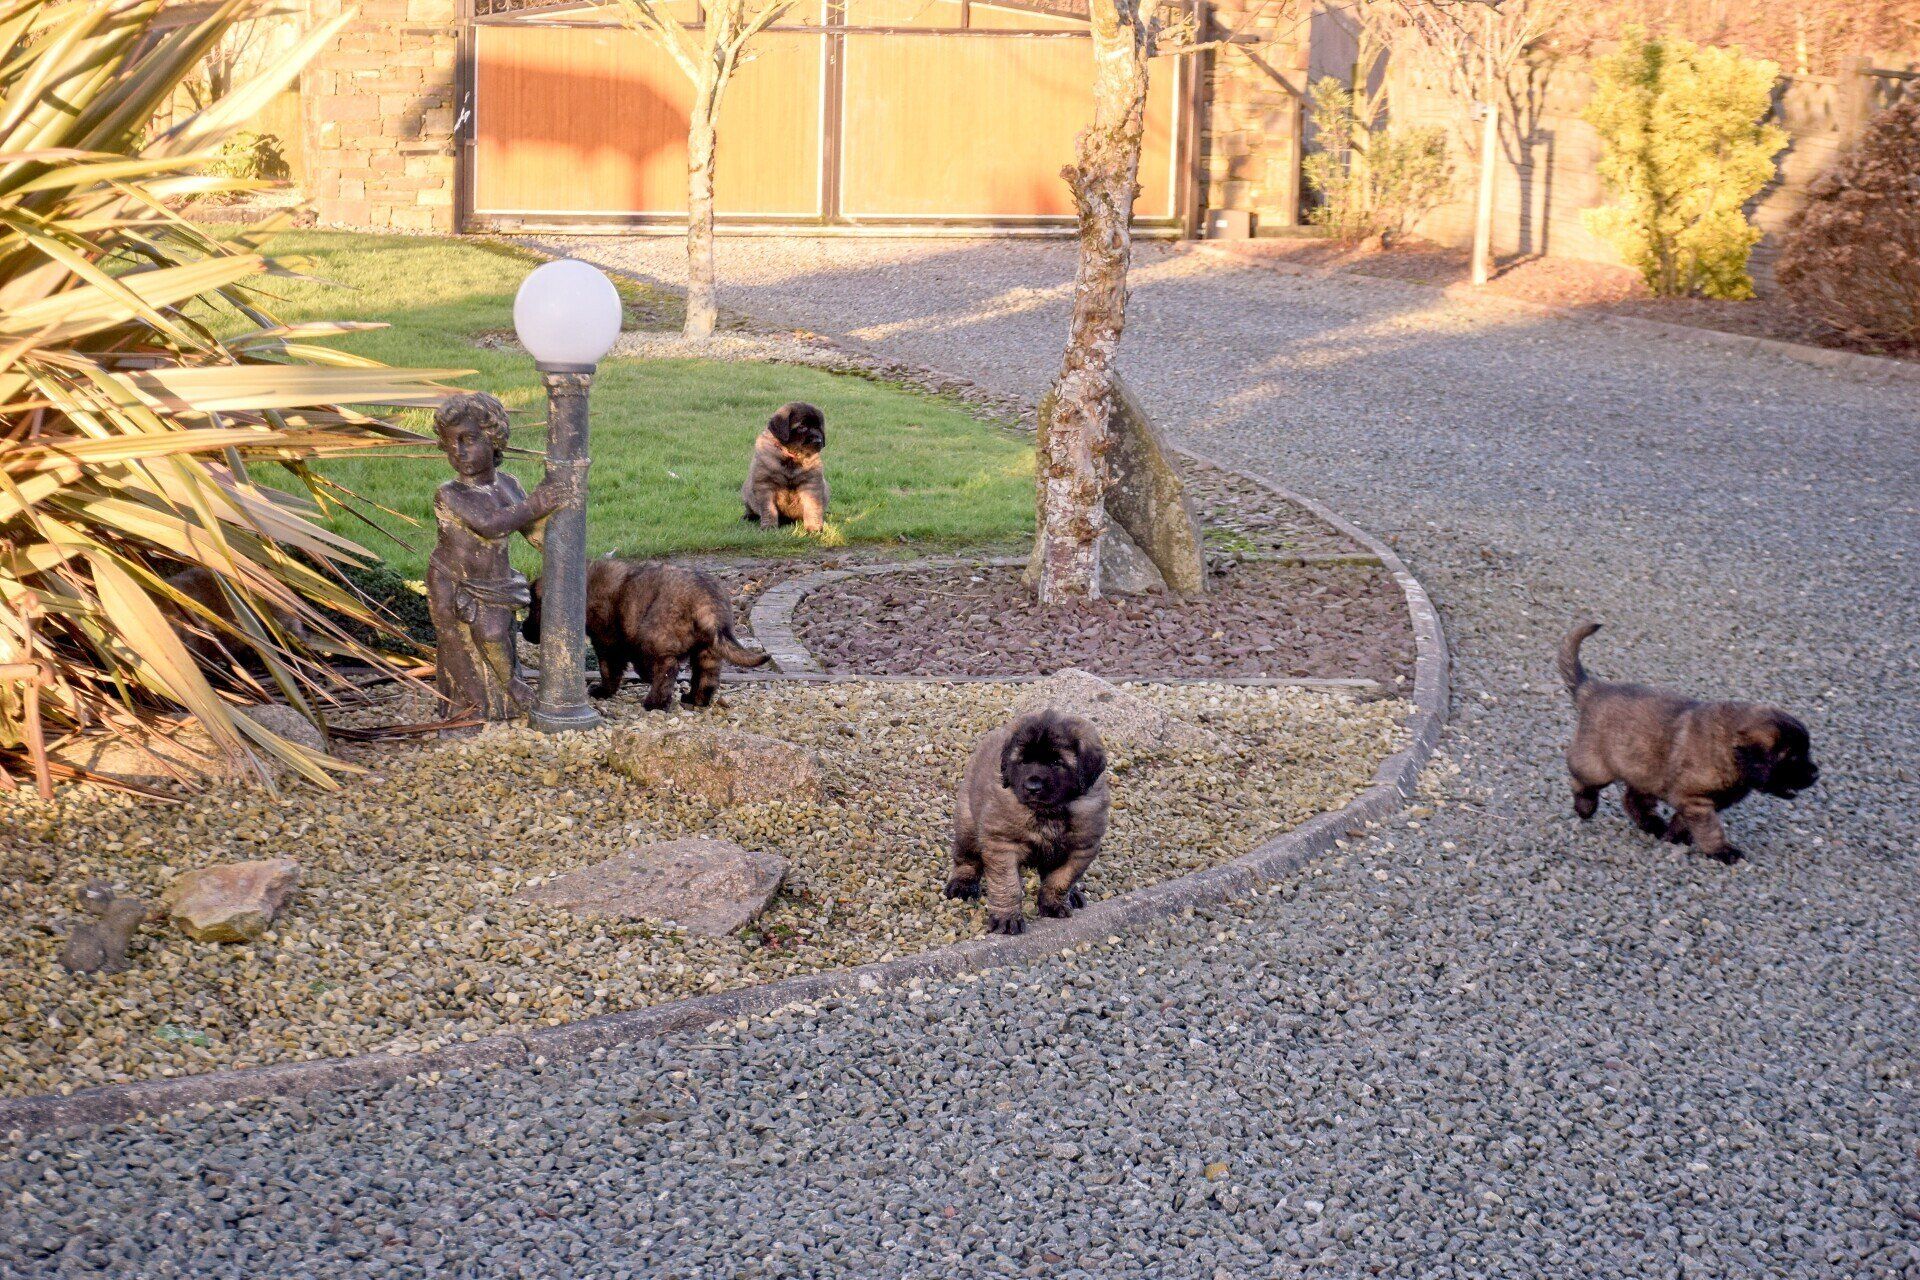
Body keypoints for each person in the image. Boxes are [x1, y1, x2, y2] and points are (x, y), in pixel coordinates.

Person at [426, 392, 578, 720]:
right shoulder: (451, 494)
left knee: (495, 633)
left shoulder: (508, 484)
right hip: (455, 582)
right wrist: (536, 504)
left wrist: (562, 531)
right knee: (466, 643)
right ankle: (474, 706)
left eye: (468, 440)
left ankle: (506, 697)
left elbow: (532, 529)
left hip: (495, 581)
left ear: (494, 439)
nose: (458, 450)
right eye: (451, 443)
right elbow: (491, 525)